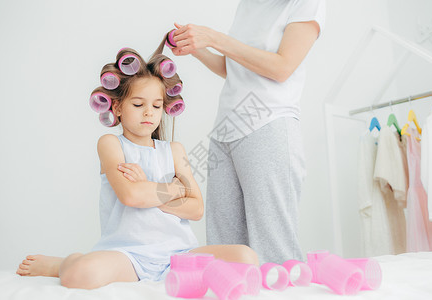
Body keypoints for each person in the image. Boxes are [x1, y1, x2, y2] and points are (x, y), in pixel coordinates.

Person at [15, 46, 258, 289]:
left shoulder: (174, 150)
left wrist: (149, 191)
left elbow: (196, 209)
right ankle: (60, 264)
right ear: (118, 107)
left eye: (156, 106)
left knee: (247, 257)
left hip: (179, 254)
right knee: (80, 274)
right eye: (138, 104)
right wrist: (175, 189)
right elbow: (131, 195)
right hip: (128, 255)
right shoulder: (111, 144)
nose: (149, 113)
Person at [170, 0, 325, 264]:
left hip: (268, 121)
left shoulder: (305, 3)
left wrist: (215, 38)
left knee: (274, 250)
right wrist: (196, 49)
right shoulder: (248, 5)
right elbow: (234, 68)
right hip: (227, 128)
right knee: (226, 249)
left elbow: (281, 67)